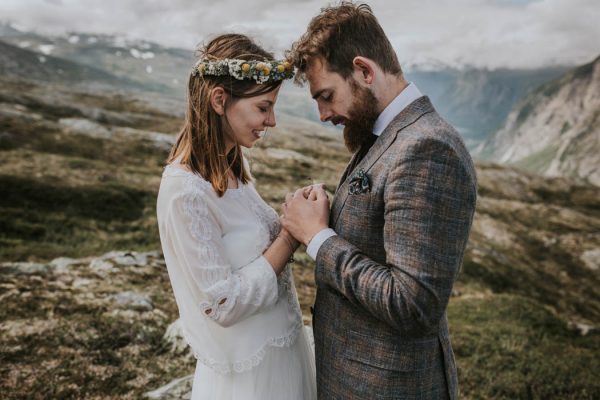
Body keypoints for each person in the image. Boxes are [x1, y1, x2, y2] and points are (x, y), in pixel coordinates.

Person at [281, 2, 477, 399]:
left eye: (327, 95)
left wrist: (318, 238)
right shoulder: (387, 135)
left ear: (364, 71)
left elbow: (412, 304)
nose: (322, 114)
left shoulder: (427, 149)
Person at [156, 33, 316, 400]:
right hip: (249, 380)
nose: (272, 121)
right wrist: (289, 236)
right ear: (219, 100)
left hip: (282, 355)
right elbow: (221, 303)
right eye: (264, 107)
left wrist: (298, 214)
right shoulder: (185, 192)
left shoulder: (231, 166)